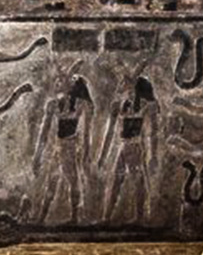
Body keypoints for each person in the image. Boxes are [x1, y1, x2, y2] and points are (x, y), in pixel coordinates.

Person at [32, 63, 94, 224]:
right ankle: (42, 217)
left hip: (70, 146)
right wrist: (38, 155)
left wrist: (86, 151)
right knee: (52, 181)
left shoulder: (79, 104)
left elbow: (86, 132)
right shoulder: (53, 104)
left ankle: (74, 217)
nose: (57, 83)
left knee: (70, 179)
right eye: (58, 80)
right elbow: (44, 132)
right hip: (59, 146)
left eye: (61, 81)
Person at [98, 77, 158, 223]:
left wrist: (153, 155)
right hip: (123, 146)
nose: (120, 87)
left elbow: (153, 132)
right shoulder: (118, 105)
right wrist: (103, 155)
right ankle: (107, 216)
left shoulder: (144, 105)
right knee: (116, 181)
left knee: (137, 181)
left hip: (135, 147)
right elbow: (110, 132)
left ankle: (139, 217)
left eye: (124, 84)